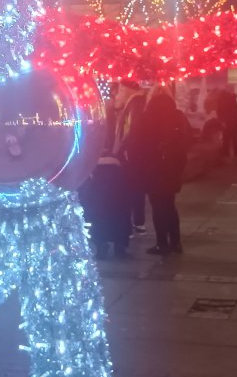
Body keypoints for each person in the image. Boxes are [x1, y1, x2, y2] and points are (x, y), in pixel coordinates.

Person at [126, 87, 191, 255]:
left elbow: (135, 144)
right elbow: (187, 140)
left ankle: (162, 243)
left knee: (157, 207)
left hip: (153, 170)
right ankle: (175, 243)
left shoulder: (146, 117)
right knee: (169, 205)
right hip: (172, 169)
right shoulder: (178, 116)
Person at [111, 80, 148, 235]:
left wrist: (121, 150)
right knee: (135, 190)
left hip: (131, 156)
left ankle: (135, 224)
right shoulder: (135, 103)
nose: (118, 94)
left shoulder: (135, 104)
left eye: (121, 90)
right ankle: (137, 223)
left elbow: (130, 130)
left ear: (127, 90)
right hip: (133, 155)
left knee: (132, 190)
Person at [79, 153, 131, 258]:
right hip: (117, 169)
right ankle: (120, 245)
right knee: (120, 212)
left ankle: (101, 245)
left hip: (96, 169)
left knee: (97, 214)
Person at [217, 86, 237, 160]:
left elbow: (220, 110)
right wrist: (223, 121)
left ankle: (228, 154)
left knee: (228, 139)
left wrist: (222, 121)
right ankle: (233, 154)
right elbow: (221, 110)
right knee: (233, 139)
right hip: (231, 121)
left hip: (230, 121)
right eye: (232, 89)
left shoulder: (229, 97)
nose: (233, 91)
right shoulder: (227, 98)